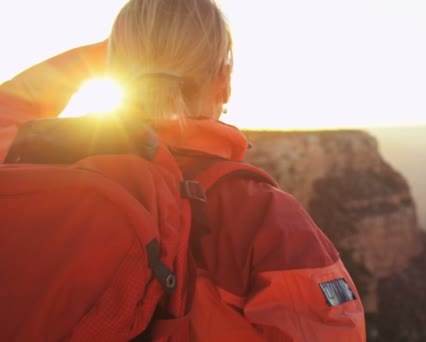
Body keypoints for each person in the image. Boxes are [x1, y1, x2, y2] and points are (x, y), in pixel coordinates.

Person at [0, 0, 366, 340]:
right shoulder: (263, 218)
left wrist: (116, 54)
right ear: (223, 81)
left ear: (114, 74)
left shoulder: (35, 160)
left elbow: (9, 105)